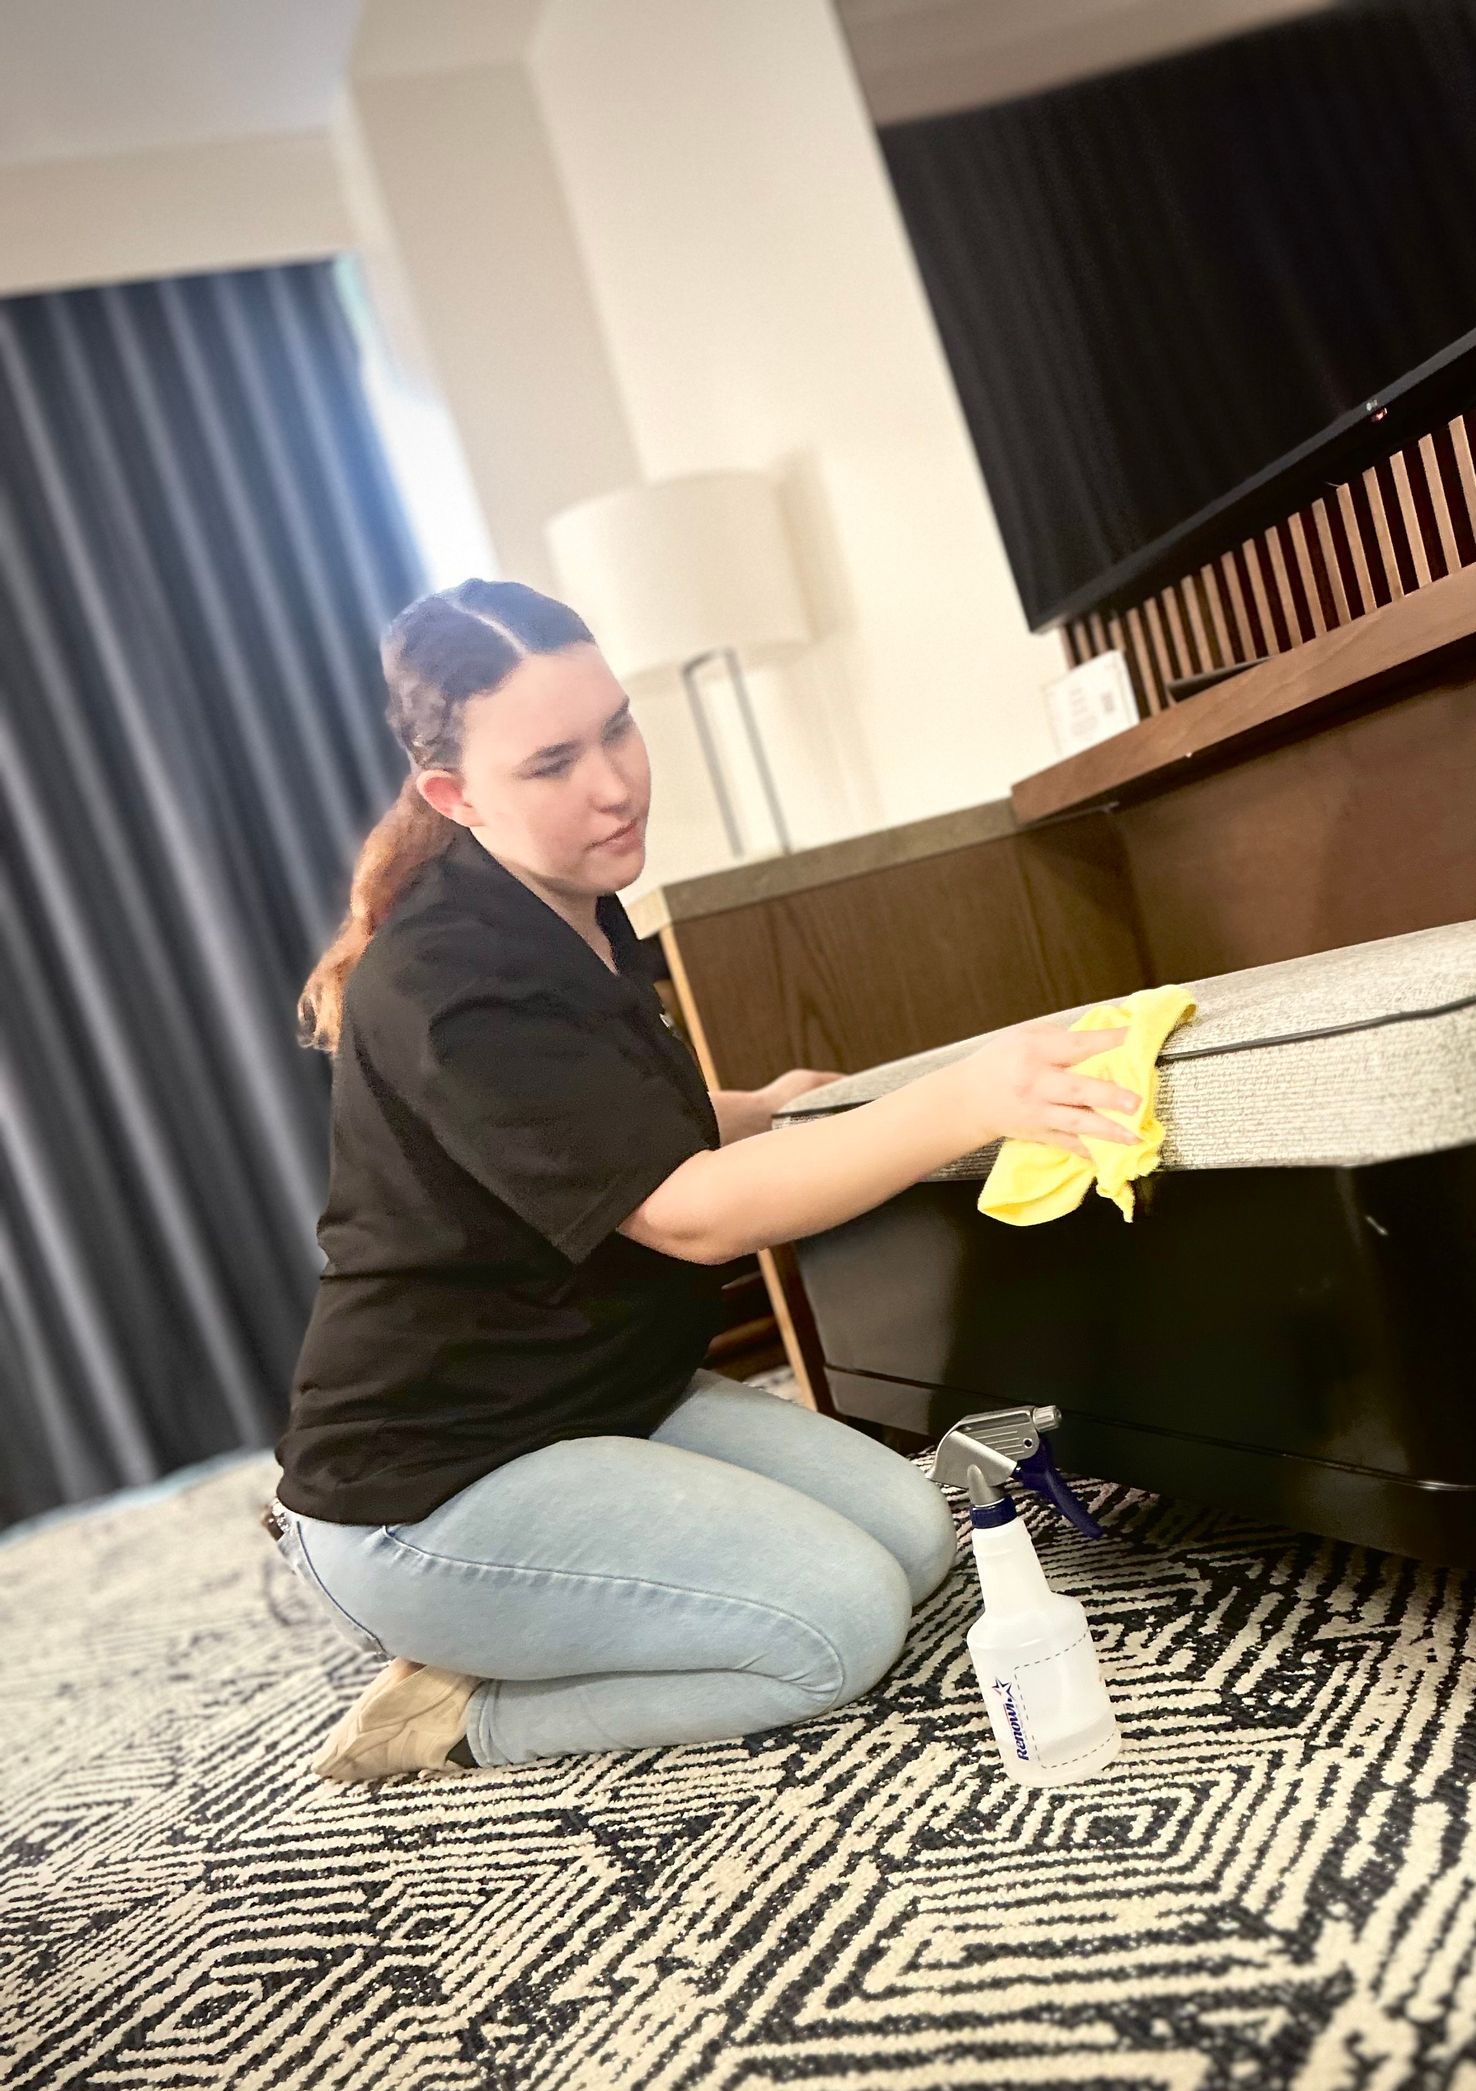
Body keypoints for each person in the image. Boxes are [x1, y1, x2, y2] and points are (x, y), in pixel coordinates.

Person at [267, 578, 1138, 1784]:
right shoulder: (451, 978)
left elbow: (597, 1130)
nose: (615, 782)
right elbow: (683, 1212)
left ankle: (559, 1613)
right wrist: (964, 1097)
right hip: (427, 1486)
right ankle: (463, 1715)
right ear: (454, 797)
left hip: (593, 1396)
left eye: (619, 726)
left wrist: (764, 1109)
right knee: (836, 1628)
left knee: (915, 1535)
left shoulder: (572, 898)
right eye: (555, 760)